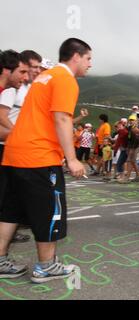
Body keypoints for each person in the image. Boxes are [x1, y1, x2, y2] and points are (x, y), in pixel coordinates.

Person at [0, 38, 92, 282]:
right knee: (49, 211)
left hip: (13, 152)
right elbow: (61, 118)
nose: (90, 64)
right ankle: (45, 266)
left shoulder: (44, 77)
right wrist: (72, 159)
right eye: (88, 58)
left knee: (11, 210)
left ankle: (0, 260)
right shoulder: (65, 79)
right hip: (39, 156)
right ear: (76, 56)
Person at [0, 50, 34, 243]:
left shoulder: (6, 91)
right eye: (22, 72)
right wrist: (20, 136)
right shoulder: (7, 92)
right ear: (6, 70)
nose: (25, 76)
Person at [118, 114, 139, 184]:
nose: (131, 121)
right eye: (130, 120)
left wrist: (131, 149)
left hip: (135, 146)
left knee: (129, 161)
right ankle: (138, 177)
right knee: (133, 162)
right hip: (130, 146)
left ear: (136, 121)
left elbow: (136, 139)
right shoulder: (130, 128)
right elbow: (128, 138)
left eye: (132, 120)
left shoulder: (136, 128)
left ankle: (127, 178)